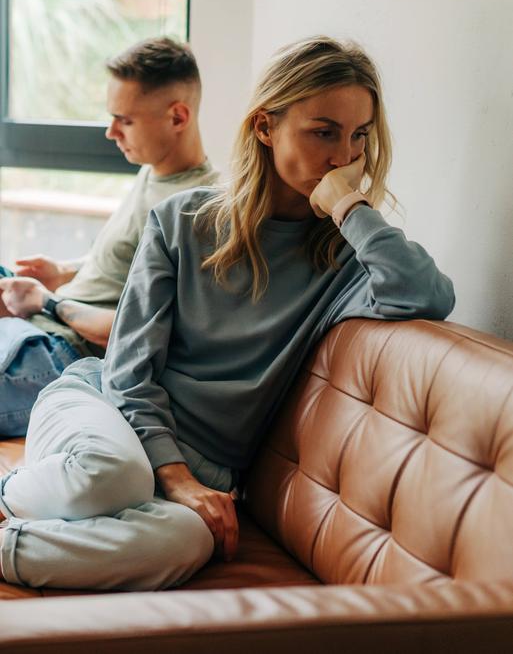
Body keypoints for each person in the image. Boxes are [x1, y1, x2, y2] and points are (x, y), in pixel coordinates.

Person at [0, 36, 454, 591]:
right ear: (265, 128)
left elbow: (427, 294)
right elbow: (127, 372)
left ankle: (11, 546)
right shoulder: (182, 221)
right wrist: (177, 479)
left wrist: (349, 206)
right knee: (113, 476)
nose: (344, 157)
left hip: (197, 473)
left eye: (358, 136)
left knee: (189, 542)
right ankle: (13, 493)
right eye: (324, 132)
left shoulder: (342, 261)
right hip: (102, 414)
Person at [0, 37, 219, 437]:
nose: (110, 132)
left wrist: (47, 302)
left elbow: (147, 334)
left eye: (125, 120)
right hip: (42, 326)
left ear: (178, 117)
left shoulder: (197, 210)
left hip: (64, 354)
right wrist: (62, 272)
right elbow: (123, 260)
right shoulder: (154, 168)